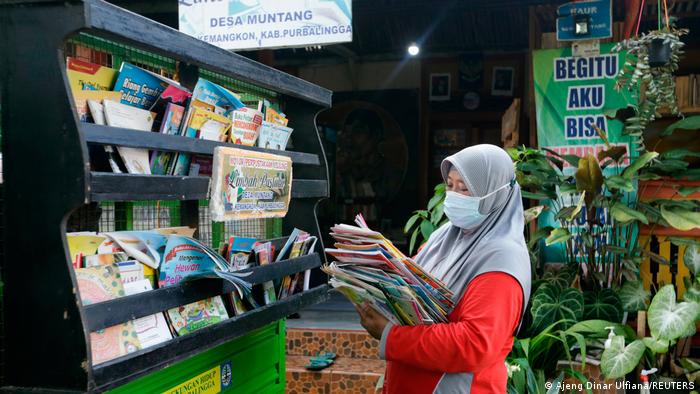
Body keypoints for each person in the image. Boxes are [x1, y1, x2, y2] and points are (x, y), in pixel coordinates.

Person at [354, 144, 531, 393]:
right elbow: (408, 283)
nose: (454, 195)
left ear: (496, 194)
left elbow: (474, 344)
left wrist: (391, 336)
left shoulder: (502, 262)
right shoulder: (442, 238)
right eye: (450, 185)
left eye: (465, 188)